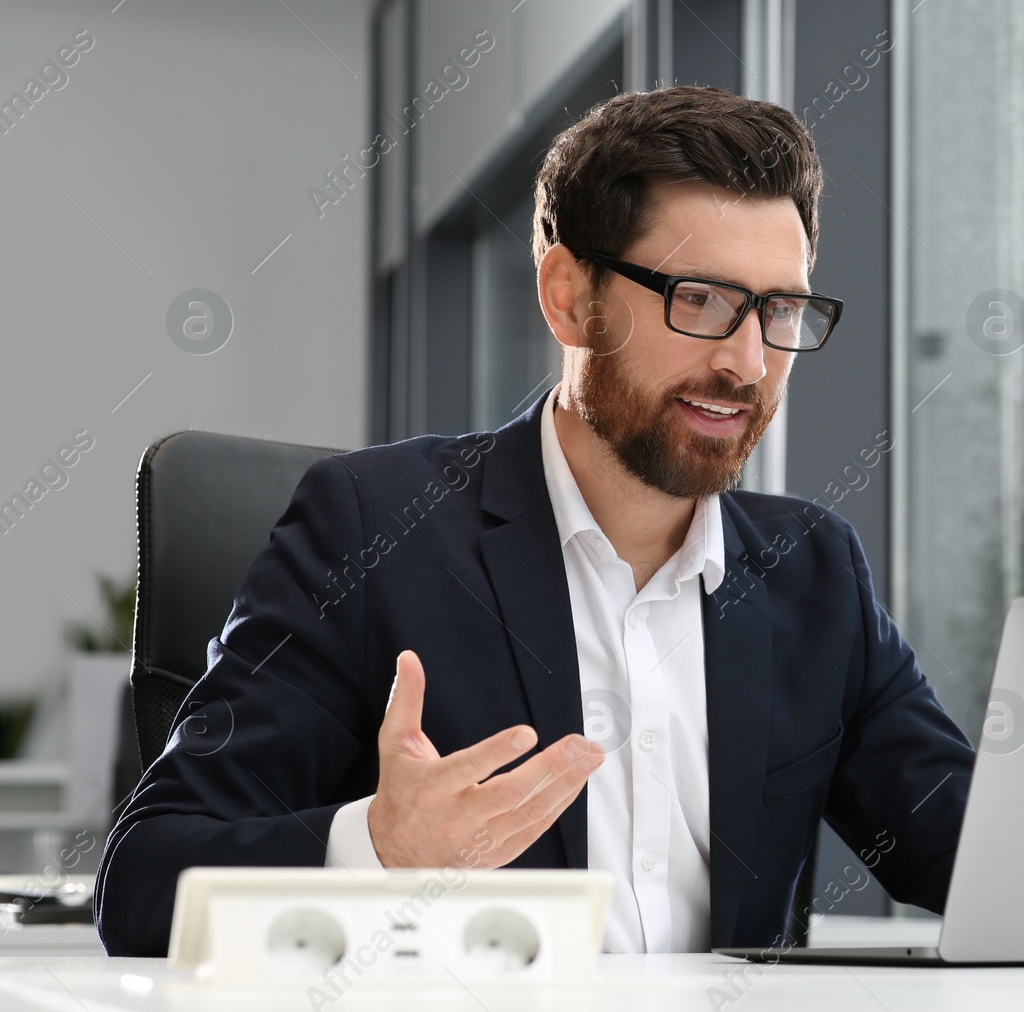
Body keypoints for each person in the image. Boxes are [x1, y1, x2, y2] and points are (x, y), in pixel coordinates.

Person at [95, 85, 974, 957]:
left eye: (779, 310)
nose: (746, 363)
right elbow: (142, 879)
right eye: (700, 299)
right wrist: (380, 849)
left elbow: (973, 857)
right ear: (567, 296)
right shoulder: (372, 529)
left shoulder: (812, 572)